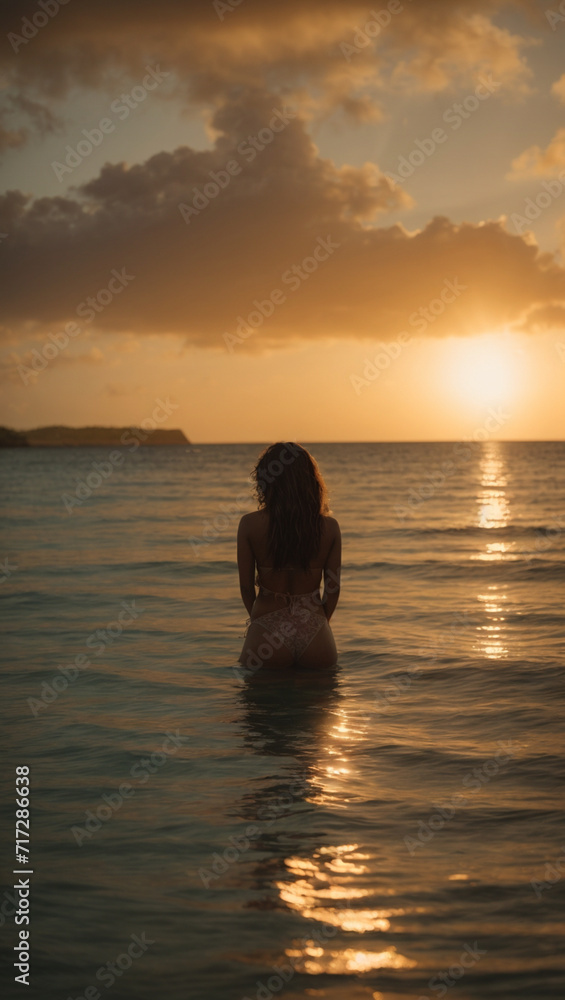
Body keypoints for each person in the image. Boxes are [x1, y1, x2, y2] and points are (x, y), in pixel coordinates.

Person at [236, 442, 341, 675]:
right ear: (310, 481)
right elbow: (333, 589)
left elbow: (245, 587)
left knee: (258, 709)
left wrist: (259, 622)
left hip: (266, 628)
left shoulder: (250, 525)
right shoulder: (329, 527)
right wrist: (319, 624)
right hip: (314, 629)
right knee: (319, 709)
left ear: (266, 479)